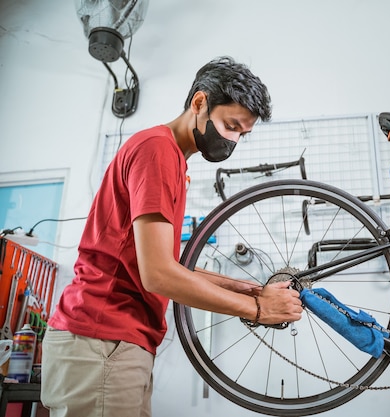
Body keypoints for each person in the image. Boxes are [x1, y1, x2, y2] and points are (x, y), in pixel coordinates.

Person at [41, 56, 303, 417]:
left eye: (242, 134)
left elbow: (167, 266)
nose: (232, 141)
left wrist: (246, 289)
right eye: (230, 125)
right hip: (102, 337)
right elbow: (159, 275)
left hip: (112, 341)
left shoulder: (171, 158)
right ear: (199, 103)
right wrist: (258, 310)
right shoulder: (157, 151)